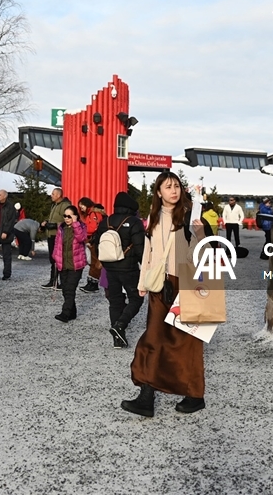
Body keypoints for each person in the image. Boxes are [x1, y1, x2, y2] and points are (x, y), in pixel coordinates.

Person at [122, 171, 208, 418]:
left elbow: (201, 256)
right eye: (168, 187)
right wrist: (143, 282)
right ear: (158, 192)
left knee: (188, 341)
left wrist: (200, 234)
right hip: (160, 284)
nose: (174, 190)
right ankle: (146, 397)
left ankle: (195, 394)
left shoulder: (190, 214)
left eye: (177, 186)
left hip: (185, 282)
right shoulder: (154, 217)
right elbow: (148, 252)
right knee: (154, 338)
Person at [95, 191, 146, 348]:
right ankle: (120, 325)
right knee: (136, 298)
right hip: (128, 268)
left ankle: (118, 339)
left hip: (109, 267)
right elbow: (140, 248)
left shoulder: (106, 221)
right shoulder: (134, 222)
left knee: (115, 302)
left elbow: (97, 243)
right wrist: (144, 265)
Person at [53, 205, 87, 322]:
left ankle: (65, 313)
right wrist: (55, 258)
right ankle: (72, 312)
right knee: (65, 290)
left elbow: (81, 238)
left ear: (75, 216)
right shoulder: (61, 228)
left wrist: (75, 223)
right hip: (63, 264)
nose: (66, 218)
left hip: (75, 265)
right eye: (65, 216)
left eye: (69, 216)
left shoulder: (81, 227)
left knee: (70, 290)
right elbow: (57, 244)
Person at [40, 188, 71, 288]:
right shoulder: (54, 205)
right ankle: (53, 281)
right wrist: (46, 222)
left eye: (53, 194)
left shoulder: (65, 206)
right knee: (53, 259)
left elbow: (68, 220)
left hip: (59, 236)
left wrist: (54, 225)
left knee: (59, 259)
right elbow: (52, 218)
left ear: (58, 195)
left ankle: (62, 282)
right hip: (51, 235)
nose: (51, 195)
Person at [78, 197, 104, 293]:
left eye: (82, 206)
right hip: (92, 239)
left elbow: (93, 228)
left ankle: (93, 283)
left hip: (95, 240)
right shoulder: (92, 214)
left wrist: (83, 230)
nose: (81, 209)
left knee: (94, 261)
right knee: (92, 261)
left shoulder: (93, 214)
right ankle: (91, 282)